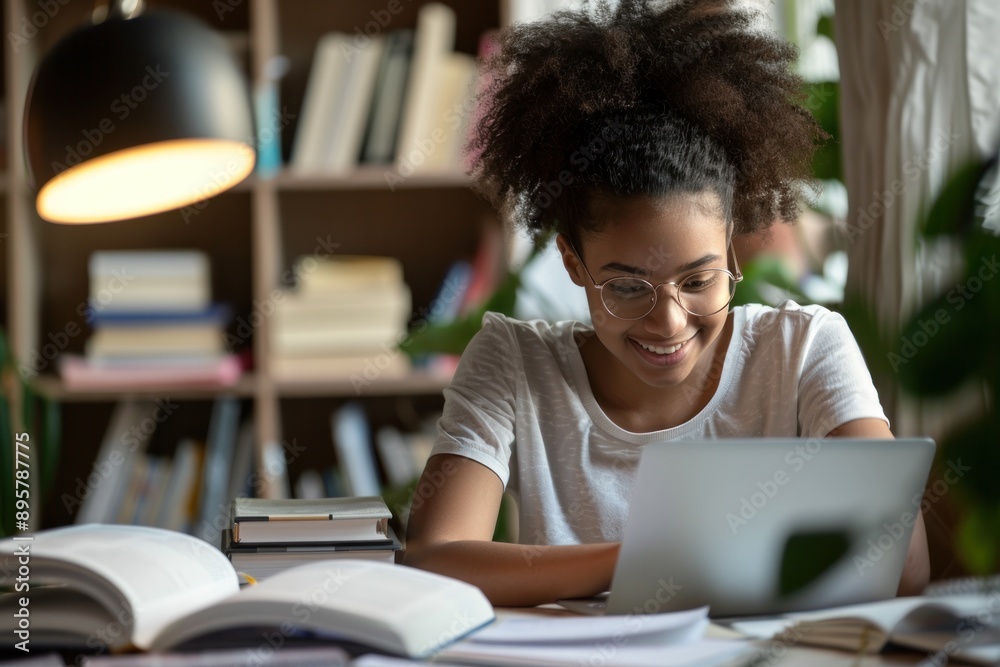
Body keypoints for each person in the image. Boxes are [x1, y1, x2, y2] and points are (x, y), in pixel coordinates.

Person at [402, 0, 930, 606]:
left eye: (699, 281)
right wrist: (647, 559)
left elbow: (902, 564)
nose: (669, 320)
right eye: (627, 287)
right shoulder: (515, 363)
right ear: (574, 262)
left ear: (732, 250)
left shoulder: (804, 346)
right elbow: (437, 559)